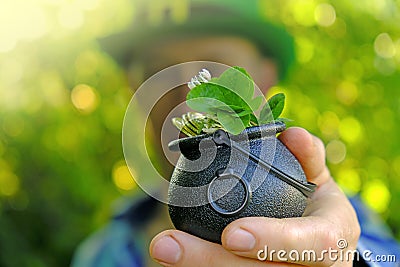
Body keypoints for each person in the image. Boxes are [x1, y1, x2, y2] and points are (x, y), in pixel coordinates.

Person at [72, 1, 400, 266]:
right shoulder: (99, 254)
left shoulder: (344, 221)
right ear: (135, 88)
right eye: (160, 70)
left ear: (264, 78)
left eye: (215, 67)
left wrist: (345, 259)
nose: (188, 91)